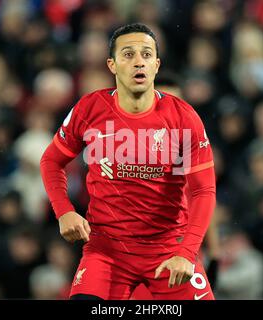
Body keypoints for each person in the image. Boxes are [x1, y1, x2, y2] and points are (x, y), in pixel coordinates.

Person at [40, 23, 216, 300]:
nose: (138, 62)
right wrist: (63, 211)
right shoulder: (89, 109)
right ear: (111, 64)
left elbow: (202, 190)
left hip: (169, 250)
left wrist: (187, 252)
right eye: (128, 54)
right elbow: (52, 161)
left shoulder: (184, 118)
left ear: (157, 65)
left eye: (146, 55)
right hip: (107, 252)